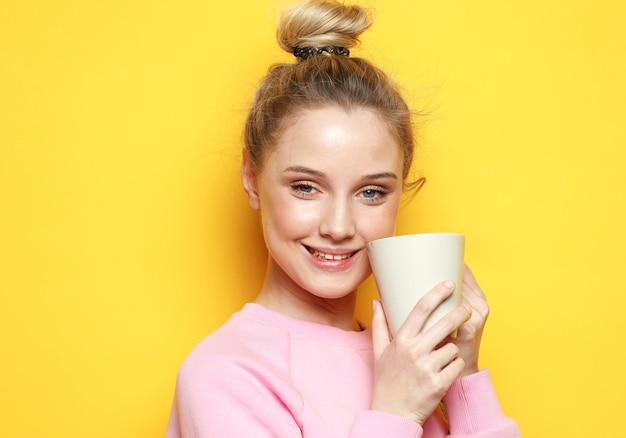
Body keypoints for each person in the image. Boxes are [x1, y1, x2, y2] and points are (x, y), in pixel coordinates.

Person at [166, 1, 520, 437]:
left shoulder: (403, 362)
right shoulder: (225, 374)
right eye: (306, 187)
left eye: (371, 192)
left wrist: (463, 376)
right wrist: (395, 414)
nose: (338, 226)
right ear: (252, 179)